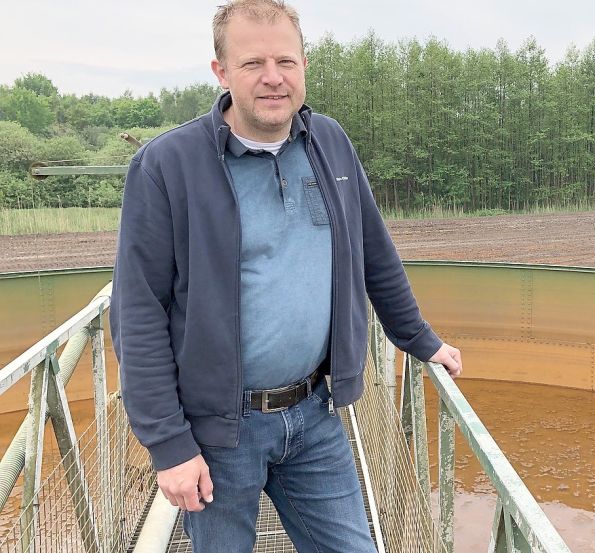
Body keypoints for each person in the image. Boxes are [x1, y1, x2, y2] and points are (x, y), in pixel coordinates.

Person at [109, 1, 462, 551]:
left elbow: (373, 250)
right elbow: (137, 313)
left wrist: (419, 339)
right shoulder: (167, 165)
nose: (273, 78)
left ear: (303, 65)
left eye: (286, 61)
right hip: (219, 430)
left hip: (314, 413)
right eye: (252, 64)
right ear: (221, 72)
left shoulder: (330, 143)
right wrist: (170, 446)